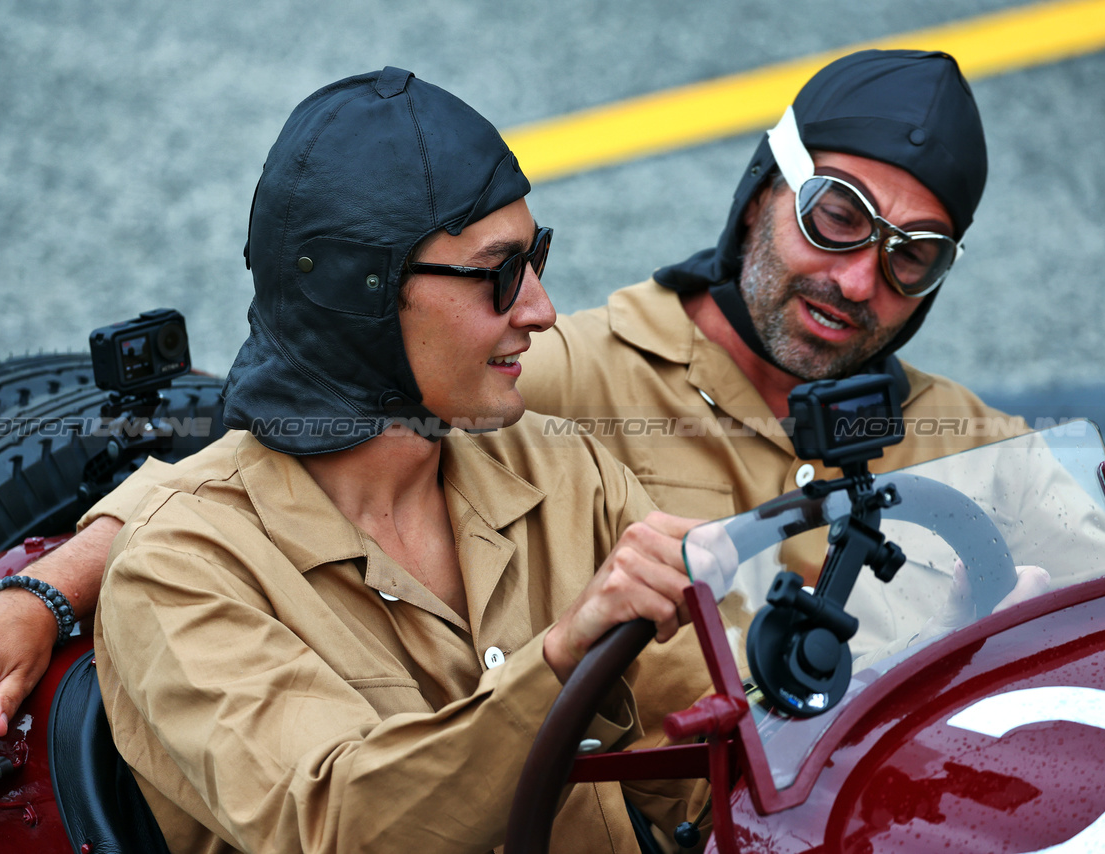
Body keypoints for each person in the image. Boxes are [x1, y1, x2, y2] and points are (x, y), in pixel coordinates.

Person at [0, 49, 1105, 760]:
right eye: (835, 218)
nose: (857, 281)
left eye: (911, 256)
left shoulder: (974, 442)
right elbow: (250, 457)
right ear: (759, 195)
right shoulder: (563, 368)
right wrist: (47, 590)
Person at [81, 68, 700, 853]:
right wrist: (559, 660)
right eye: (501, 273)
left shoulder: (561, 470)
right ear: (360, 295)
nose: (539, 308)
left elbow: (721, 742)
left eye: (537, 257)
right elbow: (332, 822)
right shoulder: (182, 565)